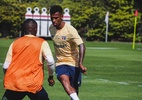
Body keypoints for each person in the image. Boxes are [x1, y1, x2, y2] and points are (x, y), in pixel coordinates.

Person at [2, 19, 55, 100]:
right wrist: (50, 76)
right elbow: (50, 61)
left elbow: (6, 66)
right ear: (36, 29)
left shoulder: (15, 43)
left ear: (24, 29)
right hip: (33, 83)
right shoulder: (42, 43)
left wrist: (9, 77)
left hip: (16, 83)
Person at [49, 5, 87, 100]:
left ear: (62, 16)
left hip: (74, 63)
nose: (54, 21)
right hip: (60, 63)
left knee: (74, 91)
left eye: (56, 18)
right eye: (52, 18)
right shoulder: (51, 28)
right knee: (63, 79)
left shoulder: (70, 30)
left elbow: (81, 45)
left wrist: (81, 63)